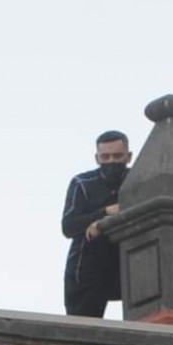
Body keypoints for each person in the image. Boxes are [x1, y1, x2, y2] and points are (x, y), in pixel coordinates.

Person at [62, 130, 131, 317]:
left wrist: (105, 222)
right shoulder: (82, 183)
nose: (111, 162)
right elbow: (68, 226)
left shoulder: (138, 181)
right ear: (97, 158)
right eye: (105, 157)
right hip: (88, 268)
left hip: (130, 262)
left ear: (128, 156)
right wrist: (104, 212)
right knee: (81, 331)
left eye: (117, 156)